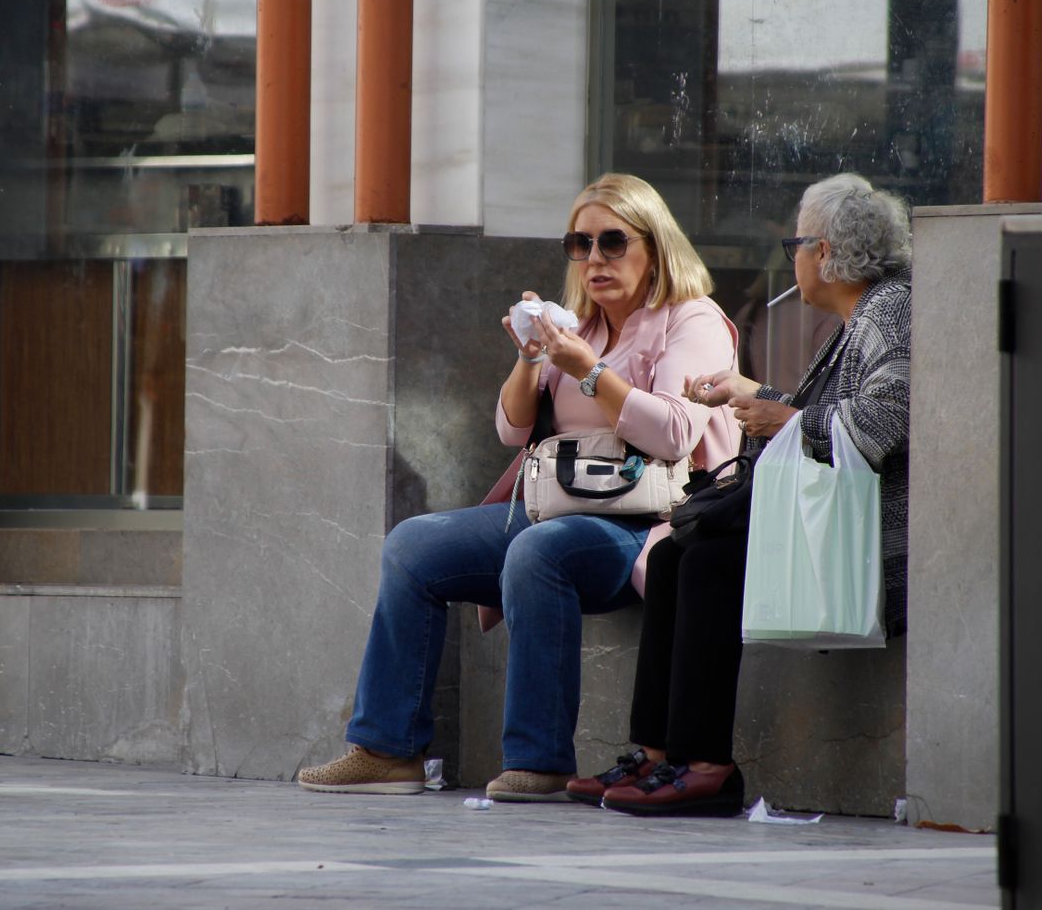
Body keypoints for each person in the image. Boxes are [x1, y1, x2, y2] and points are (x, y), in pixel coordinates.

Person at [297, 173, 739, 802]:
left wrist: (588, 373)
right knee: (412, 545)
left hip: (647, 522)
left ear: (656, 246)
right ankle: (387, 750)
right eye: (579, 245)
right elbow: (512, 429)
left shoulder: (690, 321)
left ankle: (539, 759)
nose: (594, 259)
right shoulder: (578, 328)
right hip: (556, 503)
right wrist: (533, 355)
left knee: (538, 551)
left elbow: (672, 431)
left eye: (613, 242)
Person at [570, 172, 913, 817]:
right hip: (833, 520)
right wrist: (751, 396)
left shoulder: (889, 309)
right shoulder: (864, 313)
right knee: (675, 556)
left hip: (867, 542)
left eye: (796, 245)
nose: (794, 260)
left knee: (706, 563)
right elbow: (837, 413)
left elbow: (878, 426)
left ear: (828, 252)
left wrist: (779, 418)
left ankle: (706, 766)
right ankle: (658, 753)